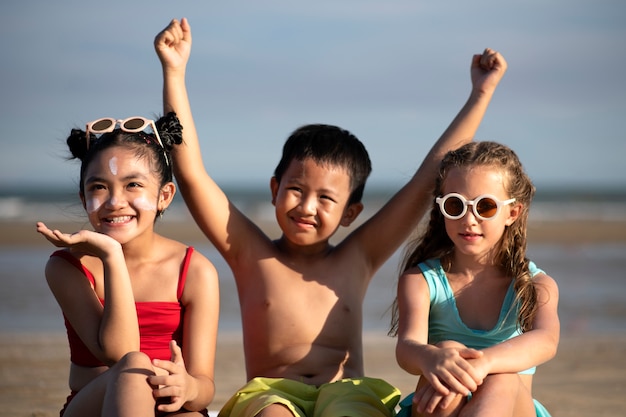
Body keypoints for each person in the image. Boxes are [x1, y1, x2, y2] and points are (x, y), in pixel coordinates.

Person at [154, 17, 507, 417]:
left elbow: (429, 178)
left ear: (350, 213)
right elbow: (191, 173)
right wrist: (174, 72)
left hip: (347, 392)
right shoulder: (250, 253)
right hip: (271, 394)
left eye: (326, 199)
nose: (306, 207)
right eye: (296, 191)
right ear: (274, 190)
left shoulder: (358, 257)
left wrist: (480, 94)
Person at [36, 113, 219, 416]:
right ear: (84, 198)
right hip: (96, 406)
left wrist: (189, 387)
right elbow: (121, 353)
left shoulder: (195, 270)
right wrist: (111, 256)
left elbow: (204, 387)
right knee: (135, 366)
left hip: (172, 406)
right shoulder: (67, 267)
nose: (114, 201)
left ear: (164, 196)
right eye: (99, 187)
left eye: (132, 184)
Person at [389, 141, 560, 417]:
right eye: (456, 205)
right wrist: (432, 357)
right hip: (440, 408)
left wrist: (485, 363)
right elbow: (407, 348)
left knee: (501, 378)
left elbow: (545, 341)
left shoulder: (535, 286)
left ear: (512, 213)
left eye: (485, 207)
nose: (469, 219)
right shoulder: (421, 281)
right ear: (441, 207)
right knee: (448, 354)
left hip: (511, 408)